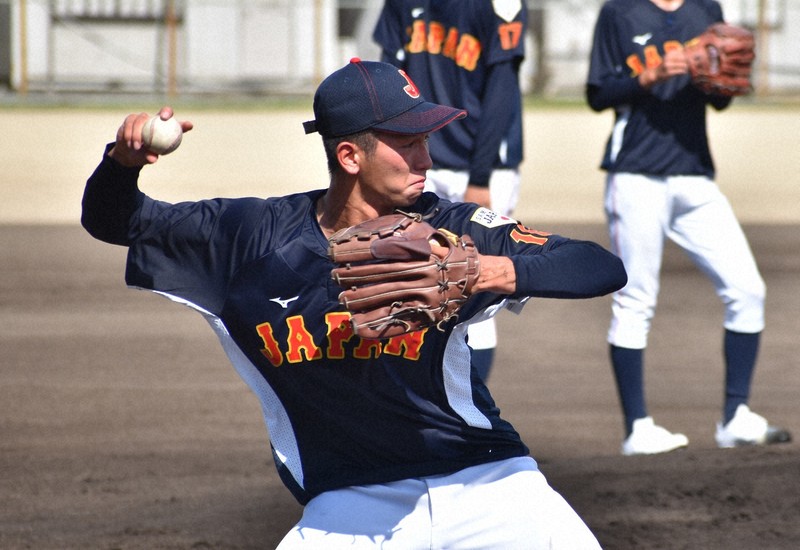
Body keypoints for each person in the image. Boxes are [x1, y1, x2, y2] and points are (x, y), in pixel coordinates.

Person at [82, 58, 626, 548]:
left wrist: (491, 270)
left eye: (426, 138)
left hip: (489, 484)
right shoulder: (249, 239)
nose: (426, 157)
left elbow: (597, 265)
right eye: (407, 141)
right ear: (349, 155)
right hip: (347, 504)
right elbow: (115, 221)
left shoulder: (448, 228)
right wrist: (122, 163)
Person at [586, 0, 791, 455]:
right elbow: (597, 94)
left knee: (748, 289)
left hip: (694, 173)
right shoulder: (620, 12)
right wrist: (649, 76)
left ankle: (735, 417)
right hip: (636, 174)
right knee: (636, 299)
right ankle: (637, 428)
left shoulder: (706, 9)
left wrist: (720, 77)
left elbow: (718, 98)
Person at [373, 0, 528, 381]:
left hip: (481, 166)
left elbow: (502, 90)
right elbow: (385, 79)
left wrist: (480, 177)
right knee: (407, 282)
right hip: (417, 159)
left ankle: (469, 408)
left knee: (472, 287)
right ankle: (421, 399)